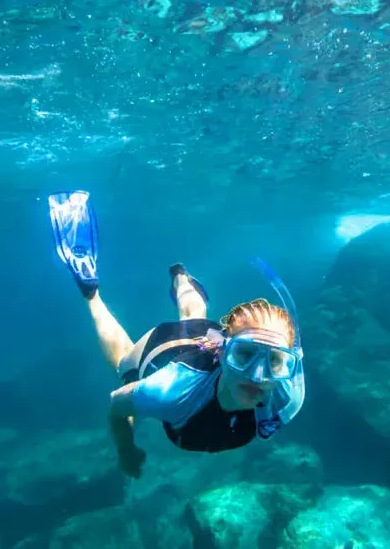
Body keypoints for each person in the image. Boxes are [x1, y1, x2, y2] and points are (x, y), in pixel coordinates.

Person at [47, 190, 305, 478]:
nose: (258, 375)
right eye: (244, 356)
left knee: (195, 319)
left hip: (203, 335)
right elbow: (117, 404)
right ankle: (91, 294)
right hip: (160, 347)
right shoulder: (169, 390)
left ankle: (182, 276)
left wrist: (243, 354)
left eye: (275, 361)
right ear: (220, 350)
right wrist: (126, 448)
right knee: (124, 363)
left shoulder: (288, 395)